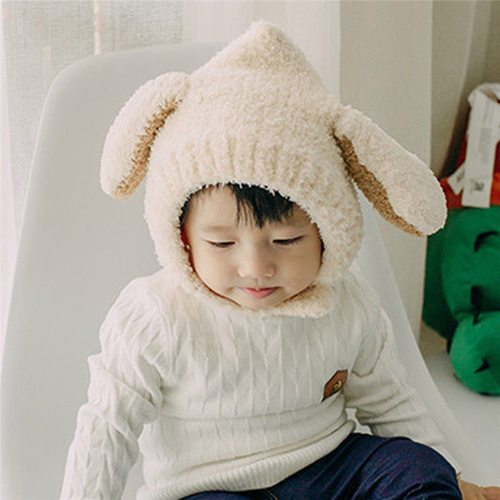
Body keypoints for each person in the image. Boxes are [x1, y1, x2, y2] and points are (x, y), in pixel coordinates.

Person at [61, 21, 500, 500]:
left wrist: (450, 476)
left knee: (413, 466)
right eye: (222, 244)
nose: (256, 267)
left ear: (329, 235)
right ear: (181, 239)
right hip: (208, 486)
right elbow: (107, 427)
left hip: (330, 467)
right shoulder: (155, 316)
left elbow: (388, 400)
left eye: (287, 240)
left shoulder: (346, 302)